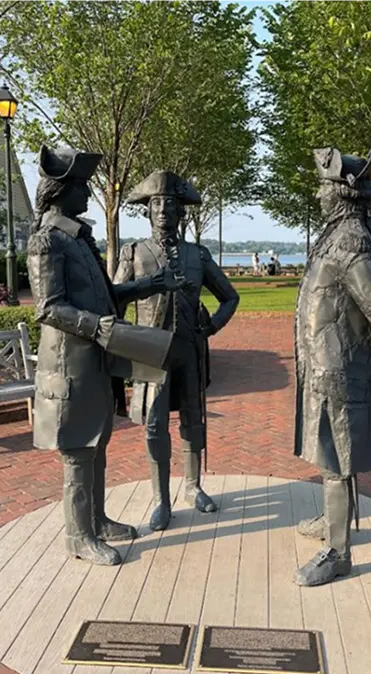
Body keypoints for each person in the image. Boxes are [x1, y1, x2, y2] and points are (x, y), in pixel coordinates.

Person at [28, 146, 182, 566]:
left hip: (94, 359)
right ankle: (79, 536)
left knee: (97, 440)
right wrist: (95, 327)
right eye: (82, 186)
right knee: (78, 450)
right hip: (70, 365)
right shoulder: (47, 241)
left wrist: (149, 285)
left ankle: (96, 518)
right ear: (62, 191)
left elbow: (105, 295)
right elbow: (48, 307)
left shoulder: (76, 237)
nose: (88, 193)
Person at [293, 147, 371, 587]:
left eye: (325, 187)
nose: (320, 195)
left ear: (342, 194)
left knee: (338, 457)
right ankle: (333, 522)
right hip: (324, 366)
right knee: (331, 455)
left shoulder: (351, 242)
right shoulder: (336, 235)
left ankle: (339, 553)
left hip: (340, 370)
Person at [115, 171, 240, 532]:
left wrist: (212, 325)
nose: (163, 210)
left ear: (181, 211)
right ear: (147, 211)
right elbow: (115, 298)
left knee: (193, 419)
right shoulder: (134, 253)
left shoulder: (196, 255)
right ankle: (161, 499)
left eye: (170, 204)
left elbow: (229, 296)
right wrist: (121, 340)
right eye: (156, 204)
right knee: (154, 425)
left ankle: (193, 485)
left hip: (189, 349)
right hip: (150, 352)